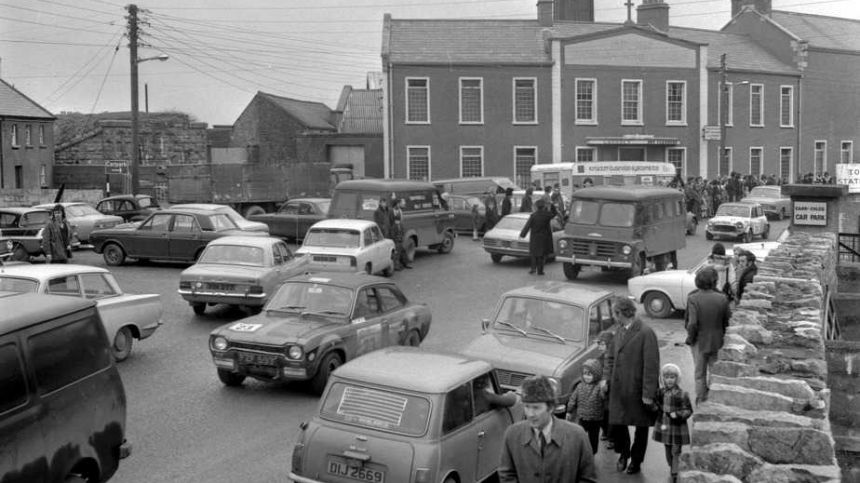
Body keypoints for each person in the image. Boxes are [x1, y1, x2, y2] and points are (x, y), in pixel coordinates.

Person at [499, 375, 597, 483]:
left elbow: (588, 478)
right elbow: (506, 475)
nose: (530, 414)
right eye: (527, 406)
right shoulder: (512, 434)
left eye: (536, 408)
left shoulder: (577, 436)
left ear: (550, 408)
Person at [603, 296, 660, 475]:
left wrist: (648, 394)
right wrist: (606, 378)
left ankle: (636, 460)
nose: (613, 317)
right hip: (619, 388)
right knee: (618, 423)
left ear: (621, 313)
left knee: (641, 427)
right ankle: (624, 453)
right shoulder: (619, 331)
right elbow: (610, 357)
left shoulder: (645, 332)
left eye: (614, 313)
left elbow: (651, 366)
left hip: (637, 389)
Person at [685, 266, 731, 404]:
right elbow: (727, 321)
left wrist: (690, 338)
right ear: (714, 281)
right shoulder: (722, 298)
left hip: (699, 340)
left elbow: (692, 323)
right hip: (717, 340)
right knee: (714, 372)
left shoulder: (693, 298)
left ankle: (701, 399)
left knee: (699, 374)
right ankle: (713, 399)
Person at [652, 363, 693, 483]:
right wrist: (654, 407)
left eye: (672, 377)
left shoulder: (682, 394)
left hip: (677, 427)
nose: (669, 380)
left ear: (677, 378)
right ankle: (672, 466)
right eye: (667, 377)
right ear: (663, 378)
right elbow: (656, 404)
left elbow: (688, 410)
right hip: (664, 426)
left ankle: (675, 472)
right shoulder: (660, 392)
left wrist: (679, 414)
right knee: (667, 448)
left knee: (676, 450)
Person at [566, 359, 605, 455]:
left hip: (595, 419)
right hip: (582, 417)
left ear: (596, 375)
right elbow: (573, 399)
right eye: (585, 374)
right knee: (579, 436)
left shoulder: (599, 387)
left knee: (593, 438)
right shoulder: (580, 386)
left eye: (589, 374)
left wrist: (604, 388)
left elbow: (605, 397)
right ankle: (578, 453)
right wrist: (569, 411)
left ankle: (592, 454)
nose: (586, 377)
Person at [518, 198, 555, 275]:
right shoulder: (547, 215)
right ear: (544, 206)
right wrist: (551, 205)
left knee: (534, 254)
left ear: (537, 207)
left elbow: (527, 226)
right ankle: (540, 271)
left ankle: (533, 269)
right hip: (544, 238)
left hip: (534, 237)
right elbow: (554, 213)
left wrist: (522, 235)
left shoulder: (533, 216)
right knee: (541, 255)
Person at [390, 198, 412, 270]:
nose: (399, 205)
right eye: (398, 203)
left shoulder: (400, 211)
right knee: (397, 251)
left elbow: (402, 223)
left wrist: (402, 233)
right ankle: (397, 265)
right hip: (395, 234)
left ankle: (404, 263)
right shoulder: (391, 212)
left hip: (399, 234)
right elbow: (390, 224)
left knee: (401, 249)